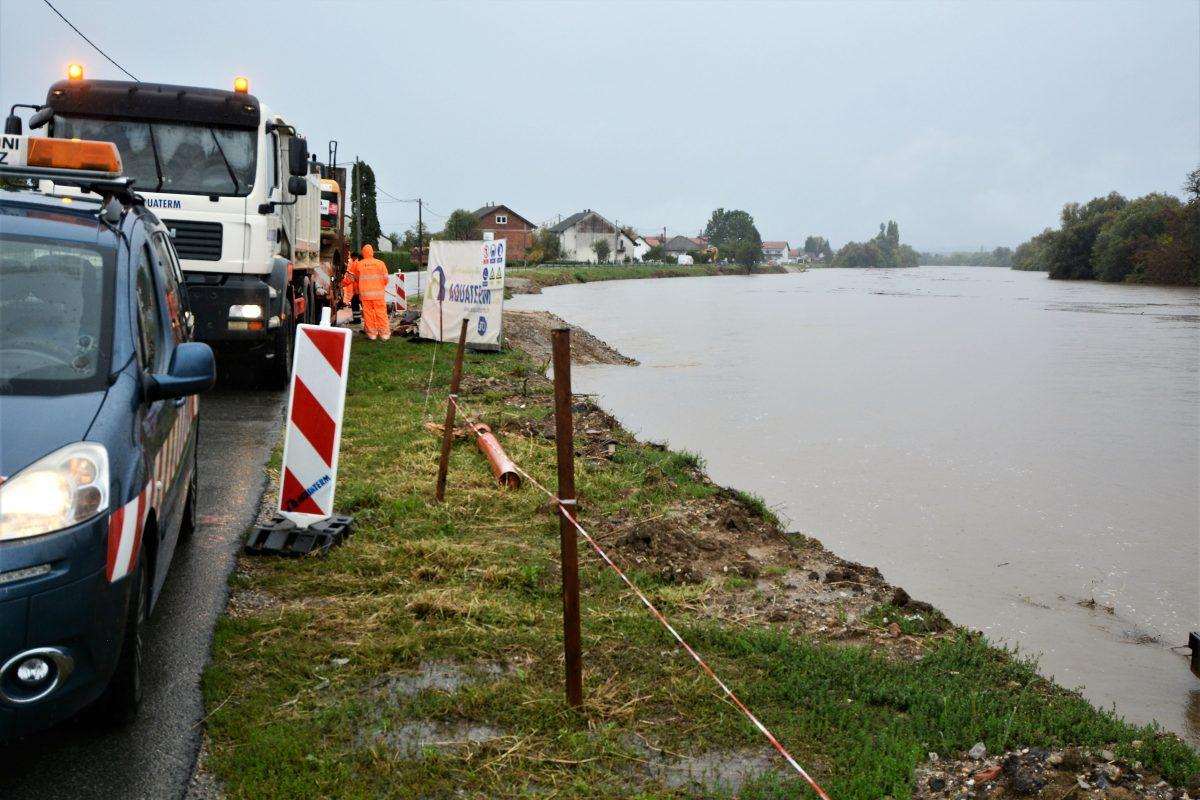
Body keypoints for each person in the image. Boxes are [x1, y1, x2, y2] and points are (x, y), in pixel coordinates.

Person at [355, 244, 390, 340]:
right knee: (381, 313)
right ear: (372, 252)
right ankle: (384, 334)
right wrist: (380, 286)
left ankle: (372, 334)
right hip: (379, 295)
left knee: (368, 314)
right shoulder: (380, 263)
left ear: (363, 253)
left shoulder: (359, 264)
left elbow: (356, 279)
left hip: (365, 295)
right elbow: (386, 279)